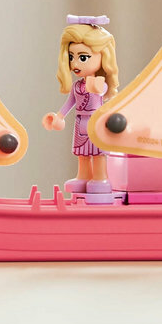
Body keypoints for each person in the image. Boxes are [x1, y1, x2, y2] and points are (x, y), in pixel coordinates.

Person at [41, 16, 120, 205]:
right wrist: (58, 116)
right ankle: (83, 177)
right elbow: (70, 103)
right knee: (82, 154)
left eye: (83, 57)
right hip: (80, 122)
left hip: (96, 123)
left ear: (103, 57)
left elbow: (100, 91)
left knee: (98, 154)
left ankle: (100, 178)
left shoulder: (100, 84)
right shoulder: (77, 86)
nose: (75, 63)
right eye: (71, 57)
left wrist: (96, 85)